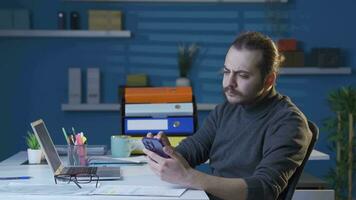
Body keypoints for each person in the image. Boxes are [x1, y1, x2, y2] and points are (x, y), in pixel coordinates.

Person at [143, 31, 312, 200]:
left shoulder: (290, 123)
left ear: (269, 80)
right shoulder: (225, 111)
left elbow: (263, 189)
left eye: (242, 75)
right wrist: (167, 153)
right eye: (226, 72)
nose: (229, 83)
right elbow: (192, 150)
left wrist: (189, 177)